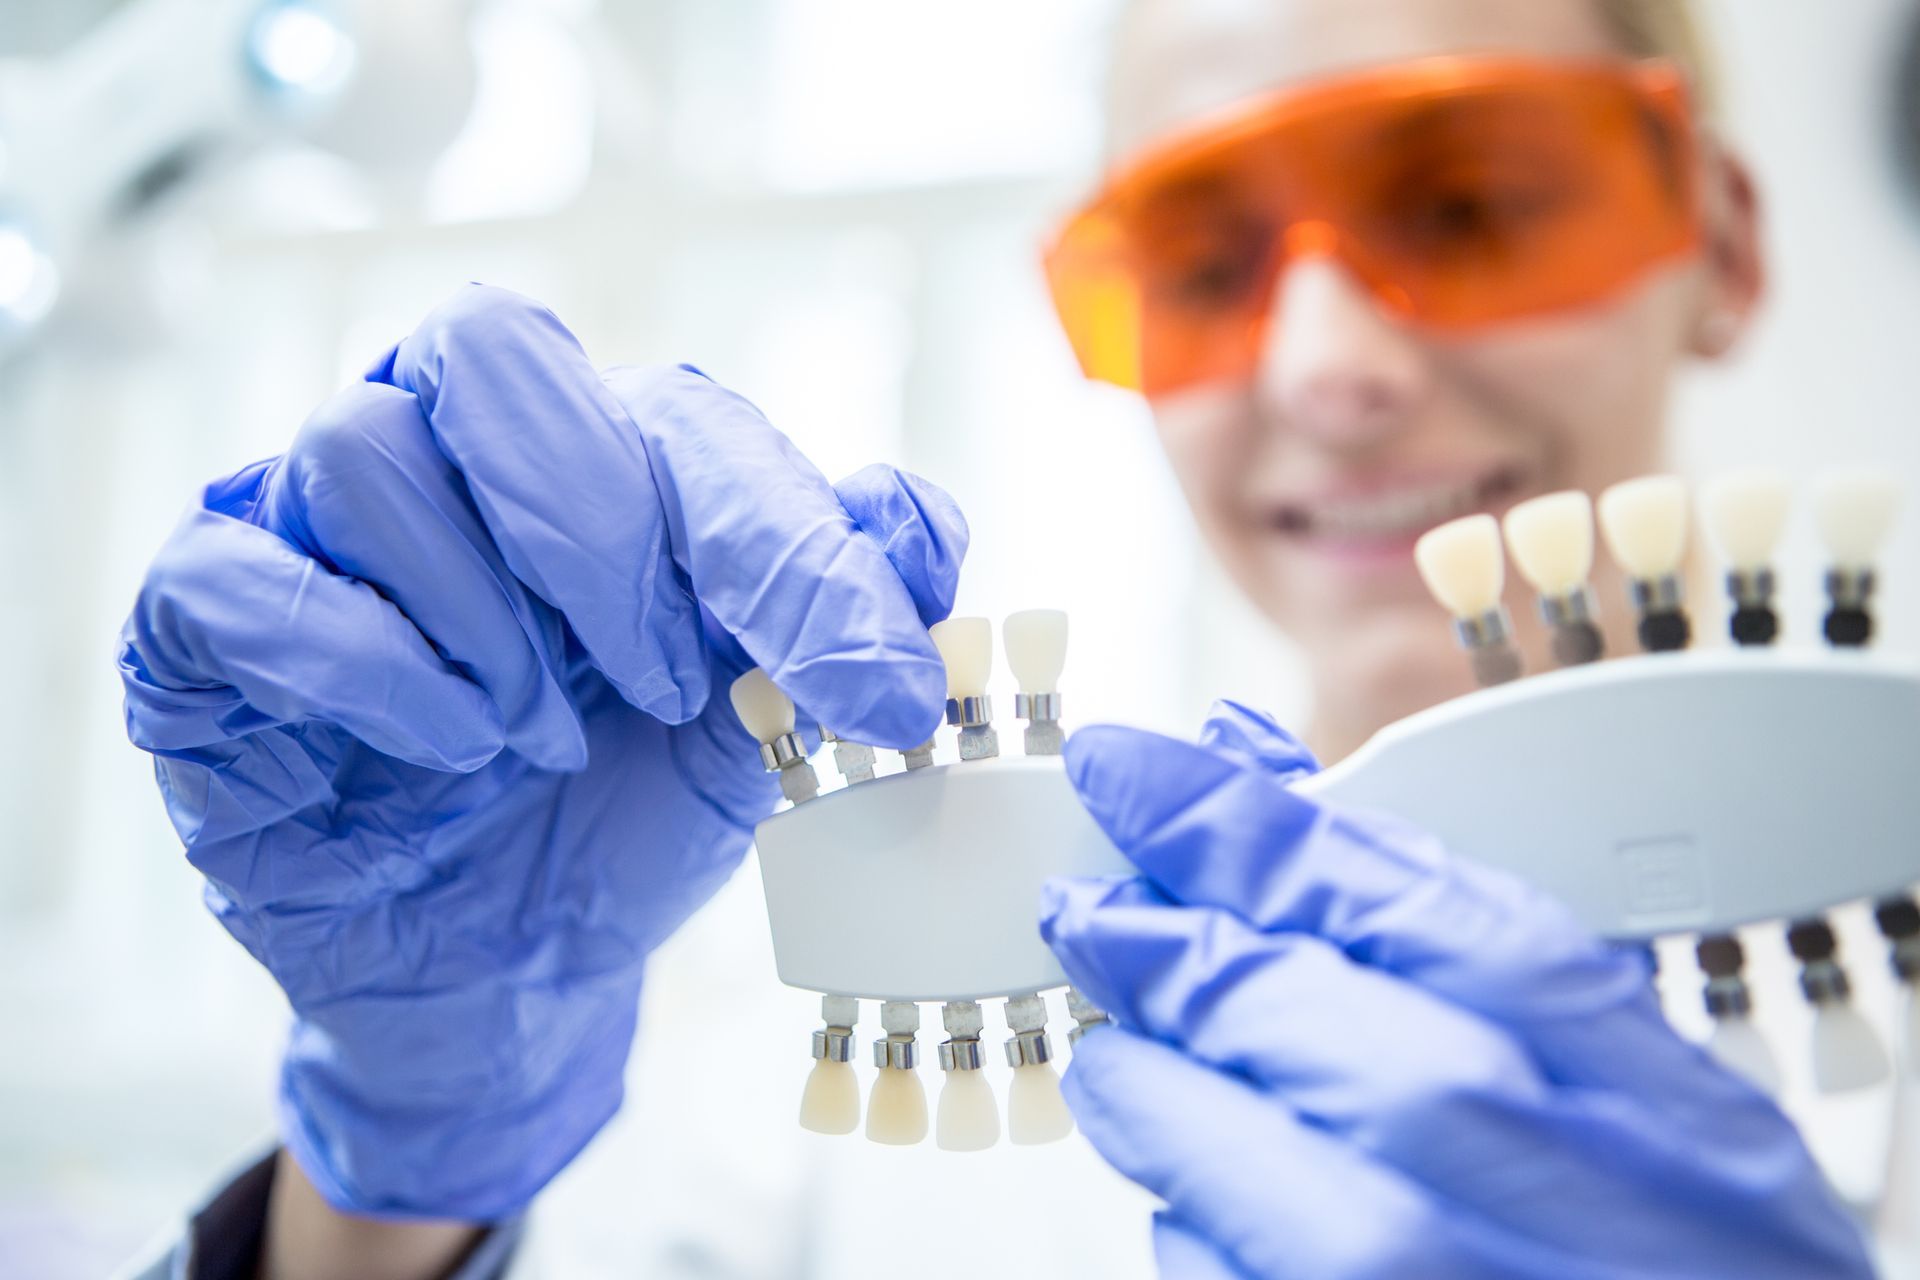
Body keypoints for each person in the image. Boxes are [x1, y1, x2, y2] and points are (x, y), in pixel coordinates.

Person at [117, 0, 1875, 1277]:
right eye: (1201, 256)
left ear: (1715, 239)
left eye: (1475, 203)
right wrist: (396, 1174)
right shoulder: (833, 1092)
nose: (1330, 366)